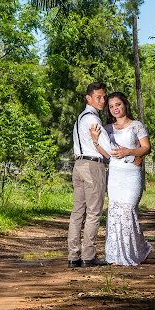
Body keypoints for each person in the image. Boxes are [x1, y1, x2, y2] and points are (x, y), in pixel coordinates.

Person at [90, 92, 152, 266]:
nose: (115, 108)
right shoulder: (108, 129)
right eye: (111, 106)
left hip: (132, 175)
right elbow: (108, 156)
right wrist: (96, 142)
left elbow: (146, 148)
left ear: (125, 104)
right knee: (116, 213)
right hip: (115, 174)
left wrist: (129, 151)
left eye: (118, 104)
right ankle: (116, 256)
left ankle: (140, 250)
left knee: (128, 212)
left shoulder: (136, 126)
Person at [67, 81, 111, 268]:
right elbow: (107, 150)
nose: (102, 101)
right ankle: (88, 256)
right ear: (88, 98)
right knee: (93, 212)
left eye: (103, 97)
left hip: (78, 165)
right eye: (98, 97)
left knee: (78, 212)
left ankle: (73, 256)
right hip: (92, 166)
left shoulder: (80, 118)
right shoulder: (93, 119)